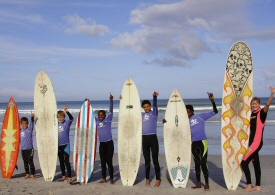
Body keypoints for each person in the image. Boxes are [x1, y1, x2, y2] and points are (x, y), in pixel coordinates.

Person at [241, 86, 275, 192]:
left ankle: (249, 185)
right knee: (256, 163)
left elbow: (268, 105)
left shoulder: (261, 113)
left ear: (259, 104)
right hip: (252, 142)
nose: (254, 105)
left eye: (256, 103)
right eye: (253, 104)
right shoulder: (252, 113)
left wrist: (272, 94)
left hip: (256, 142)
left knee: (244, 162)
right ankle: (258, 186)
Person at [186, 92, 218, 191]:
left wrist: (212, 100)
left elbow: (215, 111)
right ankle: (199, 183)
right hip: (193, 143)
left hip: (202, 142)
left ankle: (207, 184)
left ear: (192, 111)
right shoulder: (185, 121)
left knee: (203, 163)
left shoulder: (201, 116)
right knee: (196, 164)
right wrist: (165, 121)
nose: (188, 114)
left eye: (189, 112)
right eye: (186, 112)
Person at [142, 91, 161, 187]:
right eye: (144, 107)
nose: (146, 108)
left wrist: (154, 97)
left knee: (155, 159)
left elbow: (155, 106)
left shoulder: (154, 114)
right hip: (144, 139)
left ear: (150, 106)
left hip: (153, 138)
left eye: (148, 106)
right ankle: (147, 179)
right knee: (147, 160)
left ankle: (158, 179)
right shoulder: (141, 115)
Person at [96, 93, 115, 184]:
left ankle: (111, 178)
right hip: (102, 144)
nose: (101, 117)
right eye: (99, 115)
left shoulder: (108, 119)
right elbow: (88, 114)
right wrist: (87, 103)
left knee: (109, 162)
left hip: (109, 143)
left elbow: (111, 110)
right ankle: (104, 178)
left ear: (105, 115)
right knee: (103, 163)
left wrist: (111, 100)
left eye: (102, 115)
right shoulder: (96, 121)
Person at [57, 105, 73, 183]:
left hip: (66, 144)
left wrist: (67, 112)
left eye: (62, 117)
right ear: (57, 118)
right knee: (61, 161)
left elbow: (72, 119)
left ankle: (69, 177)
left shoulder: (67, 123)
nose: (61, 118)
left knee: (67, 161)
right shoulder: (55, 124)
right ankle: (63, 175)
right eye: (59, 117)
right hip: (58, 145)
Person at [20, 114, 36, 179]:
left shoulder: (30, 129)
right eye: (23, 124)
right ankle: (27, 174)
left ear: (28, 123)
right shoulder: (20, 130)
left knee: (30, 161)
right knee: (25, 162)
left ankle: (33, 174)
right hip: (23, 149)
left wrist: (32, 117)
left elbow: (32, 123)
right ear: (21, 124)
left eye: (26, 123)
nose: (24, 125)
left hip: (30, 149)